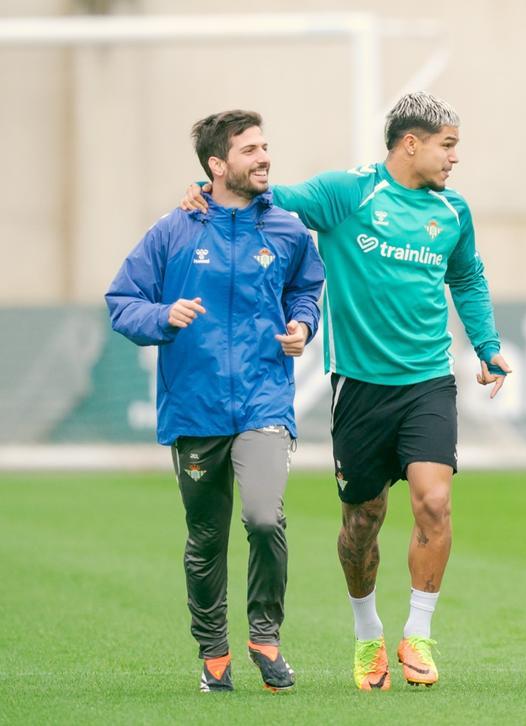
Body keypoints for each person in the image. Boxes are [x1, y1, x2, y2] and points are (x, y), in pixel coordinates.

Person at [183, 91, 509, 690]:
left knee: (434, 502)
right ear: (410, 143)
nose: (455, 157)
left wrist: (487, 346)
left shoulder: (453, 211)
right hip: (358, 387)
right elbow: (266, 197)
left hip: (428, 381)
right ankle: (367, 635)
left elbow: (467, 276)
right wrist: (206, 192)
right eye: (447, 145)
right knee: (362, 521)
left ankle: (418, 635)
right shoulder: (347, 193)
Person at [107, 110, 325, 693]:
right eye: (250, 150)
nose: (264, 157)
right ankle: (213, 653)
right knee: (206, 538)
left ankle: (265, 636)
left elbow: (307, 289)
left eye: (264, 146)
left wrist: (303, 325)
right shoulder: (173, 230)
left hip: (264, 401)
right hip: (194, 407)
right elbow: (122, 300)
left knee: (263, 517)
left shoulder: (286, 229)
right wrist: (163, 315)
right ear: (217, 165)